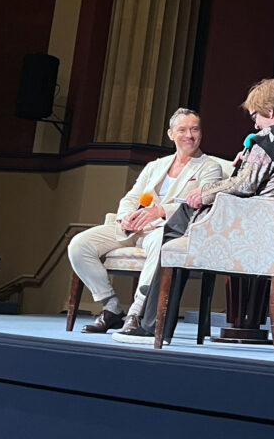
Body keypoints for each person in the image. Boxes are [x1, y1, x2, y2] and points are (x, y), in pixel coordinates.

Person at [113, 78, 274, 344]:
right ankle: (151, 310)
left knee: (181, 217)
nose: (255, 125)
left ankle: (153, 324)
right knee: (182, 218)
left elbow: (244, 185)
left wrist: (204, 193)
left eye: (256, 116)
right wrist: (243, 165)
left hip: (254, 229)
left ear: (270, 112)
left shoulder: (269, 137)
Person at [67, 108, 223, 333]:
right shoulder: (156, 166)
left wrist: (160, 211)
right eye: (183, 129)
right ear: (171, 134)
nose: (189, 135)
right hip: (135, 228)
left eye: (195, 129)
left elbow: (201, 204)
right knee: (79, 245)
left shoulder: (210, 167)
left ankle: (136, 313)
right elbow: (132, 196)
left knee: (161, 244)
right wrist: (124, 217)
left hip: (167, 230)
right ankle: (111, 307)